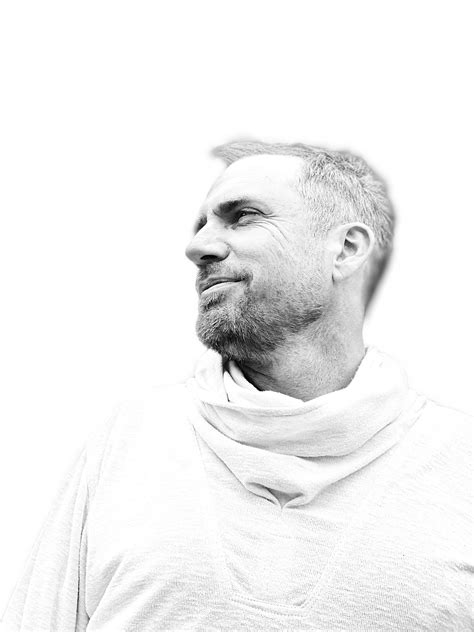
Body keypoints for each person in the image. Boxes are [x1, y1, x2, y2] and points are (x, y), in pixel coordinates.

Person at [1, 140, 472, 631]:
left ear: (347, 249)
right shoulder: (133, 440)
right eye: (201, 224)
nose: (197, 247)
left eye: (243, 216)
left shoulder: (460, 465)